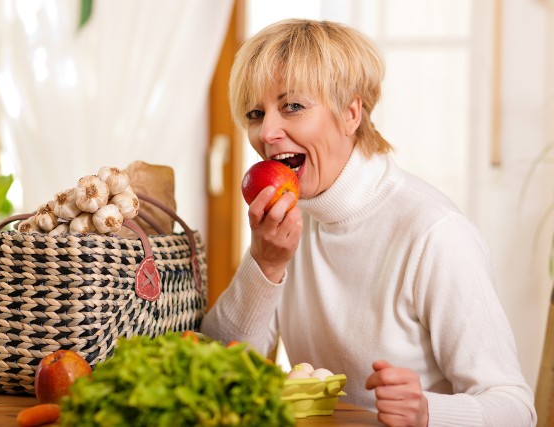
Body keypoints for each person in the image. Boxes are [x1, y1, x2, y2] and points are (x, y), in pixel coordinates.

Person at [200, 18, 537, 427]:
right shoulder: (287, 225)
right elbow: (216, 368)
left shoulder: (434, 232)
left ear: (351, 112)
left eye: (292, 106)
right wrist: (265, 266)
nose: (267, 132)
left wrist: (428, 412)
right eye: (256, 113)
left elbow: (515, 408)